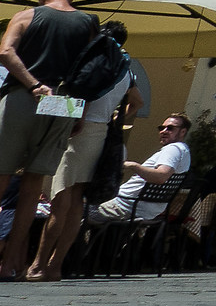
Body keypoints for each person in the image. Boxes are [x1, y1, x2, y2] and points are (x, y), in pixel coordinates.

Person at [1, 0, 104, 281]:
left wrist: (34, 85)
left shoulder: (26, 15)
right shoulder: (89, 22)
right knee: (34, 185)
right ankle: (10, 264)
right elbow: (90, 68)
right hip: (66, 102)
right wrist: (79, 112)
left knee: (2, 176)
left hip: (22, 96)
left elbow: (6, 53)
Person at [30, 16, 138, 281]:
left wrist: (43, 104)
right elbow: (137, 102)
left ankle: (37, 265)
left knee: (59, 203)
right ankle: (56, 266)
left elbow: (81, 97)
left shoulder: (98, 58)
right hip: (100, 133)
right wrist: (116, 120)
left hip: (77, 131)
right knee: (76, 204)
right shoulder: (126, 67)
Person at [85, 114, 193, 227]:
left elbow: (161, 176)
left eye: (170, 128)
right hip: (140, 211)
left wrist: (133, 165)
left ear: (183, 132)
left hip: (122, 208)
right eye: (161, 128)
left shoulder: (173, 149)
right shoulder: (184, 152)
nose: (164, 131)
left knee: (74, 209)